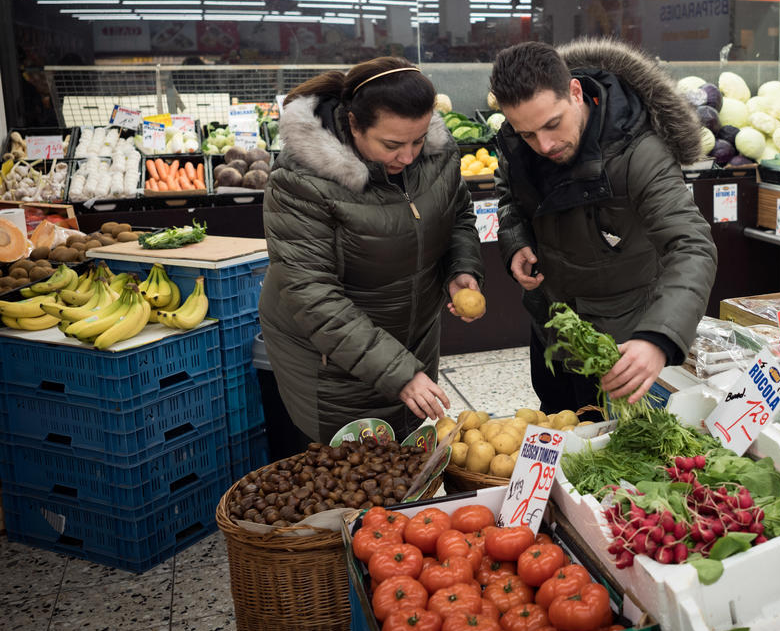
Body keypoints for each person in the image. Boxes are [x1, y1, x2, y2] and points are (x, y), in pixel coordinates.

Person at [259, 56, 484, 446]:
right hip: (330, 358)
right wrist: (399, 372)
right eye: (392, 145)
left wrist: (461, 267)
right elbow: (313, 295)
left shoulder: (437, 152)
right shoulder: (301, 181)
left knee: (403, 455)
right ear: (353, 124)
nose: (408, 156)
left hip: (413, 339)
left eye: (417, 140)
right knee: (348, 467)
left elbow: (458, 213)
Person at [489, 38, 717, 411]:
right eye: (528, 134)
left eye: (552, 124)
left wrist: (657, 338)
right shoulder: (518, 143)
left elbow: (691, 246)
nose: (544, 145)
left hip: (620, 342)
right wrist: (516, 239)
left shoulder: (639, 153)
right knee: (558, 423)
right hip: (551, 328)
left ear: (575, 92)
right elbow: (509, 194)